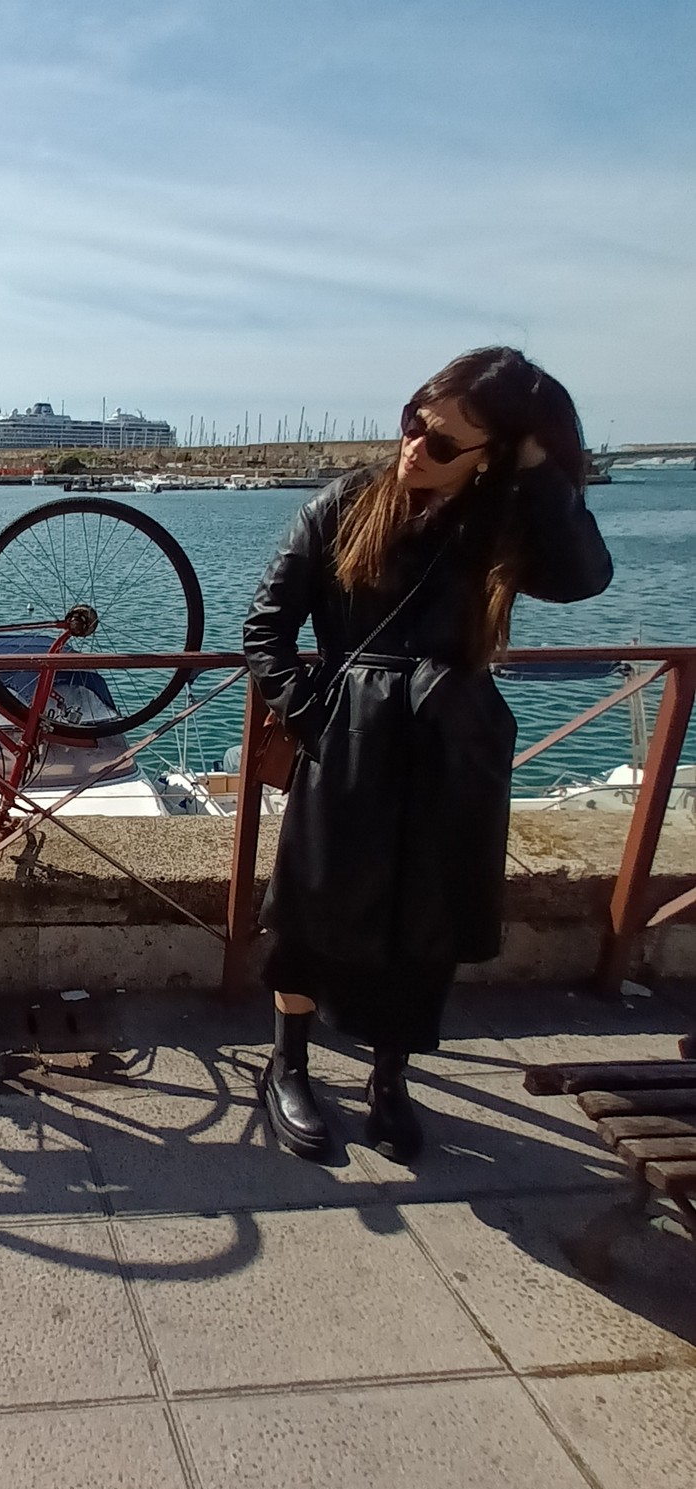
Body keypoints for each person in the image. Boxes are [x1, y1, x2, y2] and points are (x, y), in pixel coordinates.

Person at [243, 347, 613, 1162]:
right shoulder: (346, 503)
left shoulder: (502, 521)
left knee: (427, 924)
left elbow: (585, 577)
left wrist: (538, 472)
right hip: (350, 739)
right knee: (311, 913)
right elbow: (266, 626)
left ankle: (391, 1077)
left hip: (455, 744)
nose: (415, 447)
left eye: (444, 442)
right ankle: (288, 1064)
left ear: (491, 453)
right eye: (414, 421)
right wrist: (315, 714)